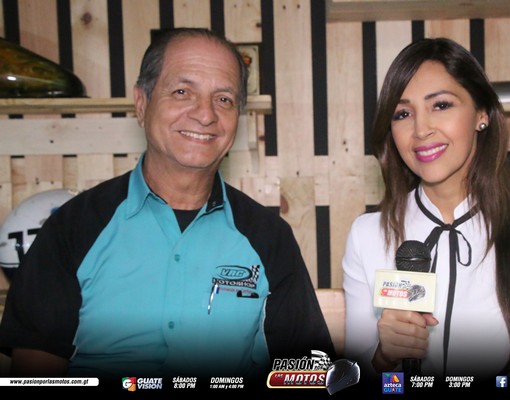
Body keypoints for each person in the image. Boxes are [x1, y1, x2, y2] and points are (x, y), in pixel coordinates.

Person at [0, 28, 335, 386]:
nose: (205, 114)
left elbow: (307, 371)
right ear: (141, 103)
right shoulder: (71, 227)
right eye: (182, 92)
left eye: (224, 99)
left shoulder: (269, 237)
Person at [342, 37, 510, 387]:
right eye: (403, 114)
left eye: (440, 105)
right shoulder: (367, 233)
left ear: (482, 114)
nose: (421, 130)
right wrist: (382, 359)